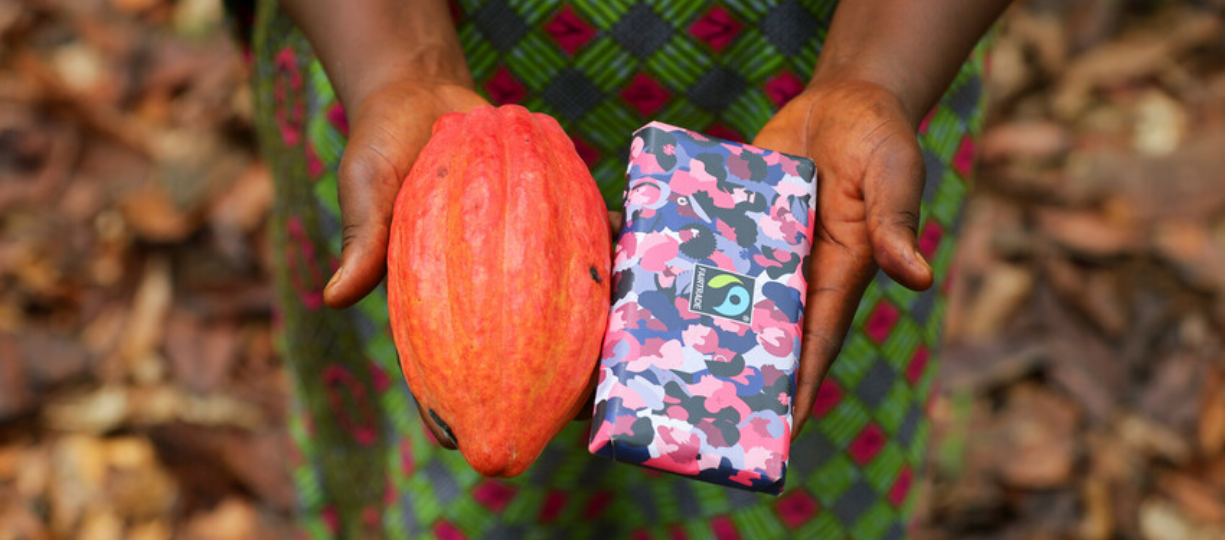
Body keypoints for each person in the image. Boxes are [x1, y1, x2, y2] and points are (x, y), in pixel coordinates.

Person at [243, 0, 1009, 537]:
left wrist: (872, 74)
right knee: (452, 493)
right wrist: (395, 64)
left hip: (823, 90)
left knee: (766, 445)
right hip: (402, 67)